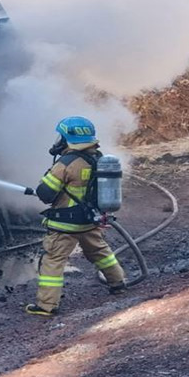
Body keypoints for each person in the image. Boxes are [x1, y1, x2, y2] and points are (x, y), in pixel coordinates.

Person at [25, 116, 126, 317]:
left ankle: (46, 306)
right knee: (101, 252)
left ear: (67, 138)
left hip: (64, 224)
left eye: (60, 137)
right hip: (89, 221)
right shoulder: (98, 158)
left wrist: (42, 185)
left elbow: (46, 194)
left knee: (53, 261)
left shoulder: (66, 164)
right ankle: (118, 283)